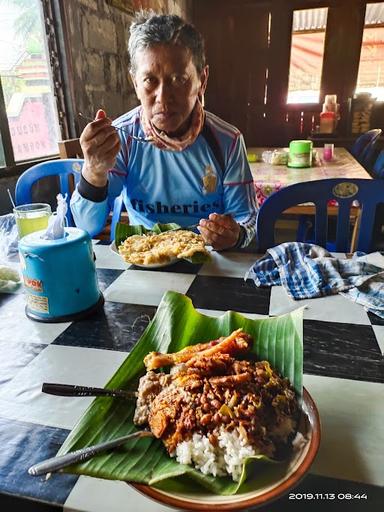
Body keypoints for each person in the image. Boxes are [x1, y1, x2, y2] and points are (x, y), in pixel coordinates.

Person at [71, 11, 257, 250]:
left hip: (209, 262)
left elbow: (247, 219)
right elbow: (88, 227)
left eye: (179, 79)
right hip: (144, 261)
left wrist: (236, 235)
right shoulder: (120, 139)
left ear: (202, 80)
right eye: (149, 80)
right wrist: (93, 171)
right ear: (135, 83)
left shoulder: (227, 141)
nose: (163, 97)